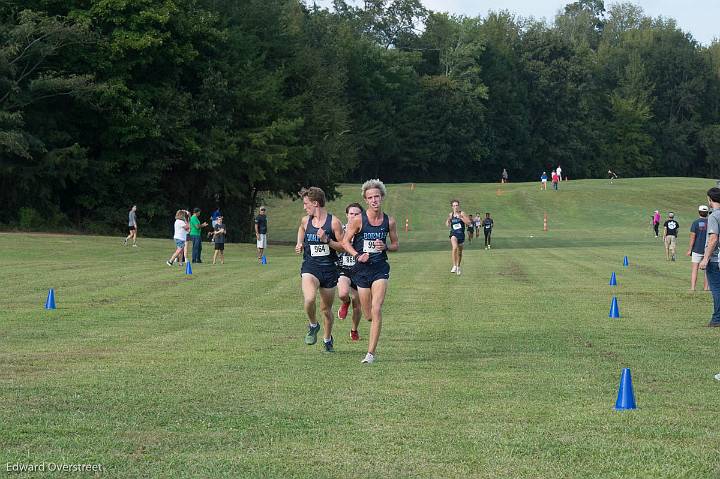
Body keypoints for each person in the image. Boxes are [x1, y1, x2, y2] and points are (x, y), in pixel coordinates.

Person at [342, 179, 399, 364]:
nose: (374, 200)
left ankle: (370, 354)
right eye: (370, 197)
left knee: (376, 308)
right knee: (368, 315)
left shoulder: (389, 221)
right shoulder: (359, 220)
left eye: (377, 196)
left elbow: (396, 244)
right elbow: (344, 242)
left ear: (382, 197)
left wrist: (386, 247)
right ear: (366, 200)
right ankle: (368, 320)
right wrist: (358, 255)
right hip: (362, 271)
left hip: (380, 269)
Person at [295, 187, 344, 353]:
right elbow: (301, 229)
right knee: (309, 299)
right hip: (310, 266)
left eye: (306, 203)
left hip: (329, 270)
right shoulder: (305, 221)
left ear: (315, 203)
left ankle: (327, 338)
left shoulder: (334, 222)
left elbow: (343, 247)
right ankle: (313, 325)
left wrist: (327, 240)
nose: (304, 207)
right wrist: (299, 243)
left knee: (326, 310)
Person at [337, 203, 364, 341]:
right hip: (343, 268)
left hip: (359, 271)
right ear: (347, 215)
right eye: (351, 214)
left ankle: (354, 330)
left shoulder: (364, 231)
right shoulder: (340, 230)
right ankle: (345, 302)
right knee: (342, 293)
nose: (354, 216)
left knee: (357, 305)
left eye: (357, 214)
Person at [699, 187, 720, 327]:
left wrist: (705, 258)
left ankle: (717, 319)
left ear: (710, 200)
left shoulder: (713, 216)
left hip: (715, 259)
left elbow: (713, 239)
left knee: (717, 289)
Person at [687, 205, 709, 291]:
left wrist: (690, 249)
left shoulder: (696, 223)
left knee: (694, 269)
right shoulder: (711, 222)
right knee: (707, 270)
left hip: (697, 249)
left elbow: (693, 237)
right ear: (707, 213)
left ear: (698, 212)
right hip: (708, 250)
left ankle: (692, 288)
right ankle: (706, 288)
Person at [446, 200, 471, 275]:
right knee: (455, 247)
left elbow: (468, 223)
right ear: (452, 207)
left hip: (461, 235)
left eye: (457, 205)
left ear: (458, 206)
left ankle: (458, 266)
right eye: (454, 205)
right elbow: (447, 224)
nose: (456, 207)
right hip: (453, 234)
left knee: (459, 252)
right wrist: (448, 220)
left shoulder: (462, 213)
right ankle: (454, 265)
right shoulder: (451, 214)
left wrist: (461, 218)